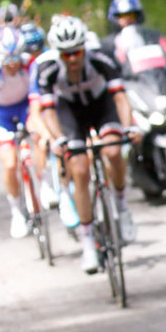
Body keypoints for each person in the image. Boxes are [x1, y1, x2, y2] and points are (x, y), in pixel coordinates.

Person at [35, 16, 137, 273]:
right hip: (70, 113)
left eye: (77, 52)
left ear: (84, 47)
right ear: (58, 53)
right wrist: (58, 139)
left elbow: (121, 98)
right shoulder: (47, 69)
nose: (72, 59)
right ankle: (88, 243)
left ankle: (122, 206)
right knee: (79, 170)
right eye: (66, 54)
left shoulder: (101, 58)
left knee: (113, 151)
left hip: (102, 107)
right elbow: (47, 112)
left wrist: (128, 128)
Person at [0, 27, 37, 239]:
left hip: (25, 108)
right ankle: (16, 212)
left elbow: (39, 98)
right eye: (7, 60)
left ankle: (48, 183)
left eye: (16, 59)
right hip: (2, 115)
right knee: (10, 163)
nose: (12, 64)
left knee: (41, 137)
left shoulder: (30, 63)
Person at [101, 0, 166, 76]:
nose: (127, 19)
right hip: (129, 85)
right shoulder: (108, 44)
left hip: (159, 80)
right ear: (115, 18)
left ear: (138, 16)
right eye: (122, 16)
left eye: (131, 15)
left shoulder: (153, 35)